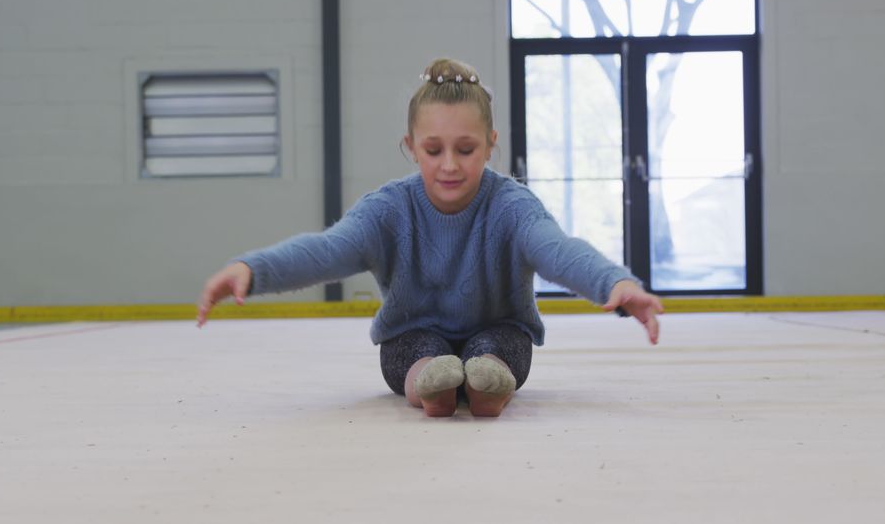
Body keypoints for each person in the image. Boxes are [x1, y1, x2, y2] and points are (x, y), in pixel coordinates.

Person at [196, 58, 664, 418]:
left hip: (496, 331)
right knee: (412, 350)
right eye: (433, 150)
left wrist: (613, 283)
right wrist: (253, 269)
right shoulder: (388, 209)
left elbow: (557, 250)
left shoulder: (512, 205)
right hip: (413, 335)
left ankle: (487, 387)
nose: (449, 165)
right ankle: (430, 385)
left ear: (491, 144)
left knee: (503, 347)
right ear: (410, 146)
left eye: (466, 149)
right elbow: (327, 250)